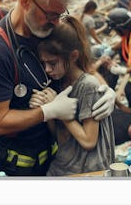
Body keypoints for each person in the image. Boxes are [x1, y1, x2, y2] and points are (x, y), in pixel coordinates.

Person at [0, 0, 116, 176]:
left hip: (56, 160)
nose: (57, 21)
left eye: (61, 14)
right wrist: (48, 111)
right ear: (26, 1)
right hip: (18, 170)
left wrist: (103, 89)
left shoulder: (47, 31)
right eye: (51, 14)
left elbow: (80, 64)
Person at [29, 15, 115, 176]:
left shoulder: (87, 86)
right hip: (64, 165)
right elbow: (58, 136)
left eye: (52, 63)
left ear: (73, 56)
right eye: (43, 63)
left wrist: (62, 113)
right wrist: (47, 109)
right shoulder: (59, 83)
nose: (47, 69)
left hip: (87, 171)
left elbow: (89, 141)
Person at [108, 8, 131, 122]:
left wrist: (124, 71)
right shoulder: (130, 29)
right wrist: (110, 49)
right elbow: (123, 41)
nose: (115, 32)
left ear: (120, 27)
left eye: (115, 29)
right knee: (130, 90)